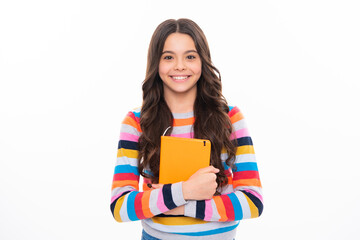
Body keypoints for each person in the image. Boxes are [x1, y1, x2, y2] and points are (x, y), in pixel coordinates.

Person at [110, 18, 263, 240]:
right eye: (168, 57)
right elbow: (120, 206)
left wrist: (180, 206)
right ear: (156, 63)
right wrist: (185, 191)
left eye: (190, 56)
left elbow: (253, 201)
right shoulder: (136, 121)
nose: (179, 66)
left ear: (203, 61)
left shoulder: (230, 117)